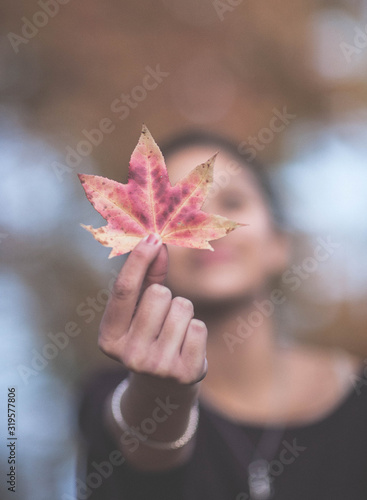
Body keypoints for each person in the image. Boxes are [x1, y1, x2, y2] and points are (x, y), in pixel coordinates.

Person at [78, 132, 367, 500]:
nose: (206, 221)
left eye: (232, 201)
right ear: (142, 246)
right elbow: (141, 453)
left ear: (278, 245)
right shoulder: (113, 393)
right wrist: (160, 396)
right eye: (176, 213)